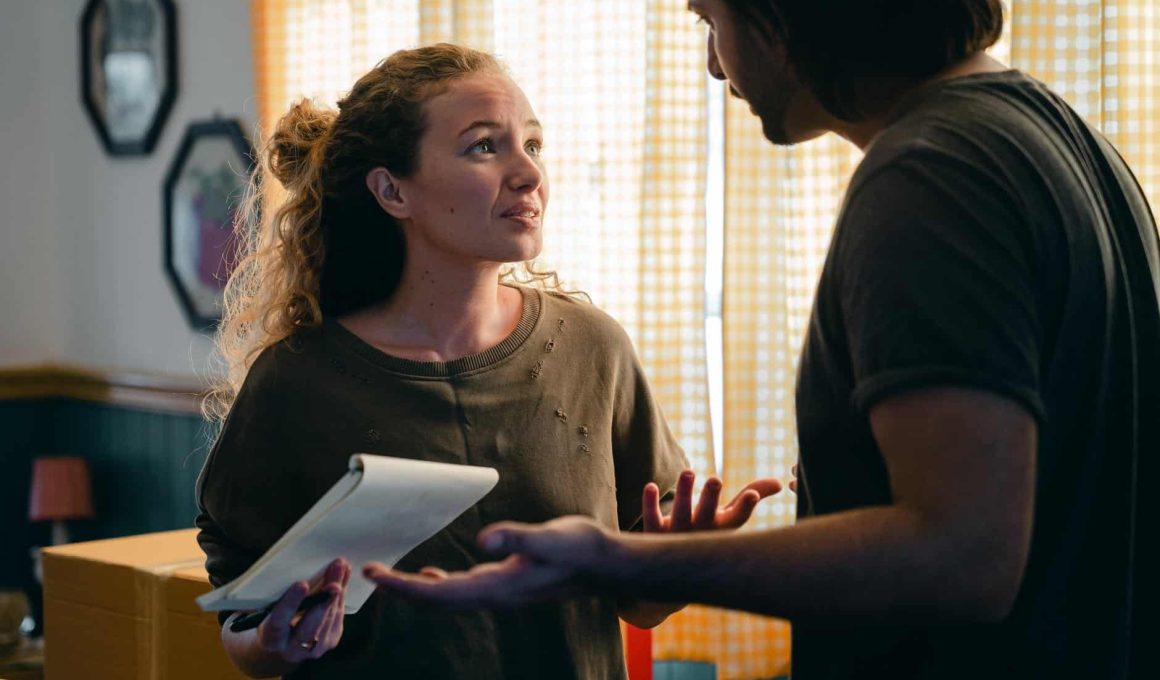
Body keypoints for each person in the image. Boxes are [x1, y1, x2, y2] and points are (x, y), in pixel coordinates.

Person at [365, 2, 1160, 678]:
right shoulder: (1063, 140)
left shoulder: (931, 176)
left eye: (713, 18)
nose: (716, 66)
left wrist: (611, 559)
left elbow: (964, 558)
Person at [194, 43, 779, 680]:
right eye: (484, 147)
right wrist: (273, 645)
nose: (528, 174)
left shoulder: (594, 348)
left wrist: (677, 561)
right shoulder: (295, 382)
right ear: (392, 190)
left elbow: (640, 607)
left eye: (533, 144)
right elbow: (241, 620)